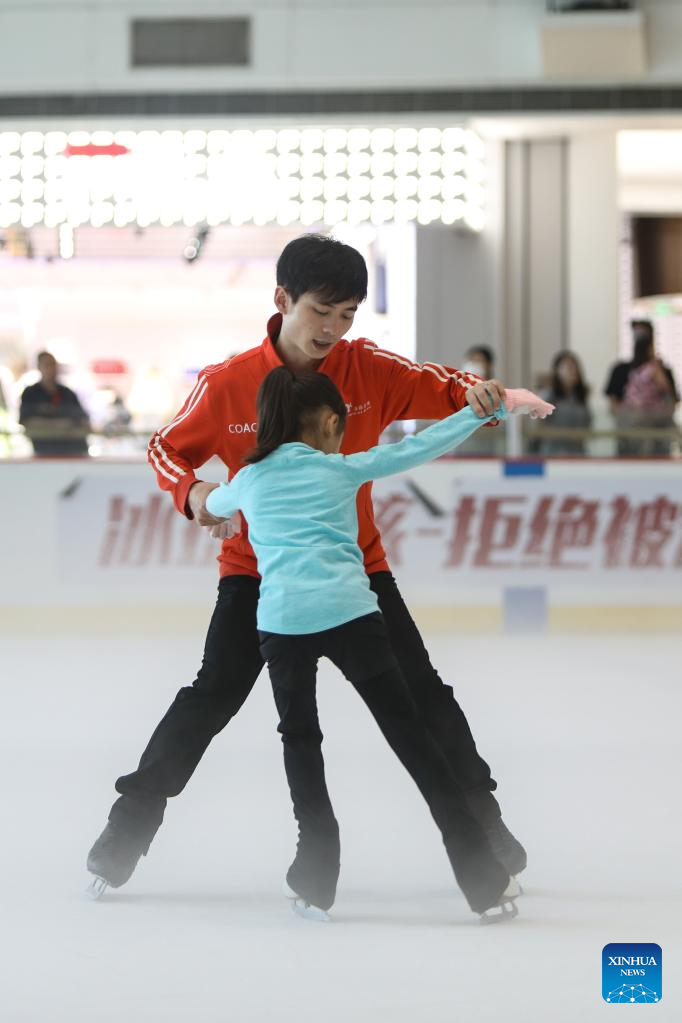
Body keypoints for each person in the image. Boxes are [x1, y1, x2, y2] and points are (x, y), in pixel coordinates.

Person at [87, 233, 528, 897]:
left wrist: (479, 392)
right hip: (255, 574)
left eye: (347, 314)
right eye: (322, 311)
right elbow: (164, 448)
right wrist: (195, 492)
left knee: (423, 694)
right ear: (282, 300)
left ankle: (485, 824)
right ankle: (127, 827)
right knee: (212, 696)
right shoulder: (228, 383)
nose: (333, 329)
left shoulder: (367, 368)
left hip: (357, 574)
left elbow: (443, 388)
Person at [204, 368, 552, 922]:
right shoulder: (343, 470)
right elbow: (423, 445)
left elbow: (211, 505)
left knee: (301, 741)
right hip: (351, 616)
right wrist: (492, 407)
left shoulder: (248, 480)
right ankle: (484, 880)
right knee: (414, 740)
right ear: (326, 422)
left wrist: (217, 515)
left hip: (283, 625)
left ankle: (315, 878)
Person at [605, 321, 679, 456]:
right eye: (637, 335)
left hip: (658, 441)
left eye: (644, 336)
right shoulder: (620, 370)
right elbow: (613, 404)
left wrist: (660, 376)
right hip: (630, 439)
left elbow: (673, 402)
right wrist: (634, 415)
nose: (640, 340)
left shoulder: (663, 371)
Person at [18, 351, 90, 457]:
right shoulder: (31, 393)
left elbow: (83, 419)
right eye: (47, 365)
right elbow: (26, 420)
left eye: (53, 365)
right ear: (39, 367)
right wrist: (58, 425)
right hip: (45, 450)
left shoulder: (67, 393)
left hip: (73, 450)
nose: (52, 369)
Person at [536, 350, 591, 456]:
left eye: (575, 368)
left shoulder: (580, 397)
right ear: (557, 371)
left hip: (578, 453)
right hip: (554, 453)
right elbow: (537, 421)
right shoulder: (549, 394)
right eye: (568, 367)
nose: (572, 371)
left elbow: (587, 424)